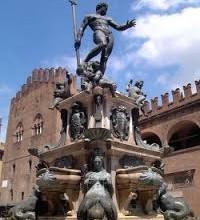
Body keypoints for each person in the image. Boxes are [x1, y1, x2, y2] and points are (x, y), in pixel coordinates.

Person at [75, 2, 136, 74]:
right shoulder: (89, 16)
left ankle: (99, 75)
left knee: (105, 57)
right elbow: (82, 28)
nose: (106, 10)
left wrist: (127, 25)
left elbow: (118, 27)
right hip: (98, 31)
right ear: (100, 7)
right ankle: (85, 62)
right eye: (105, 8)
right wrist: (79, 38)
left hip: (110, 36)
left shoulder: (108, 18)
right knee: (103, 43)